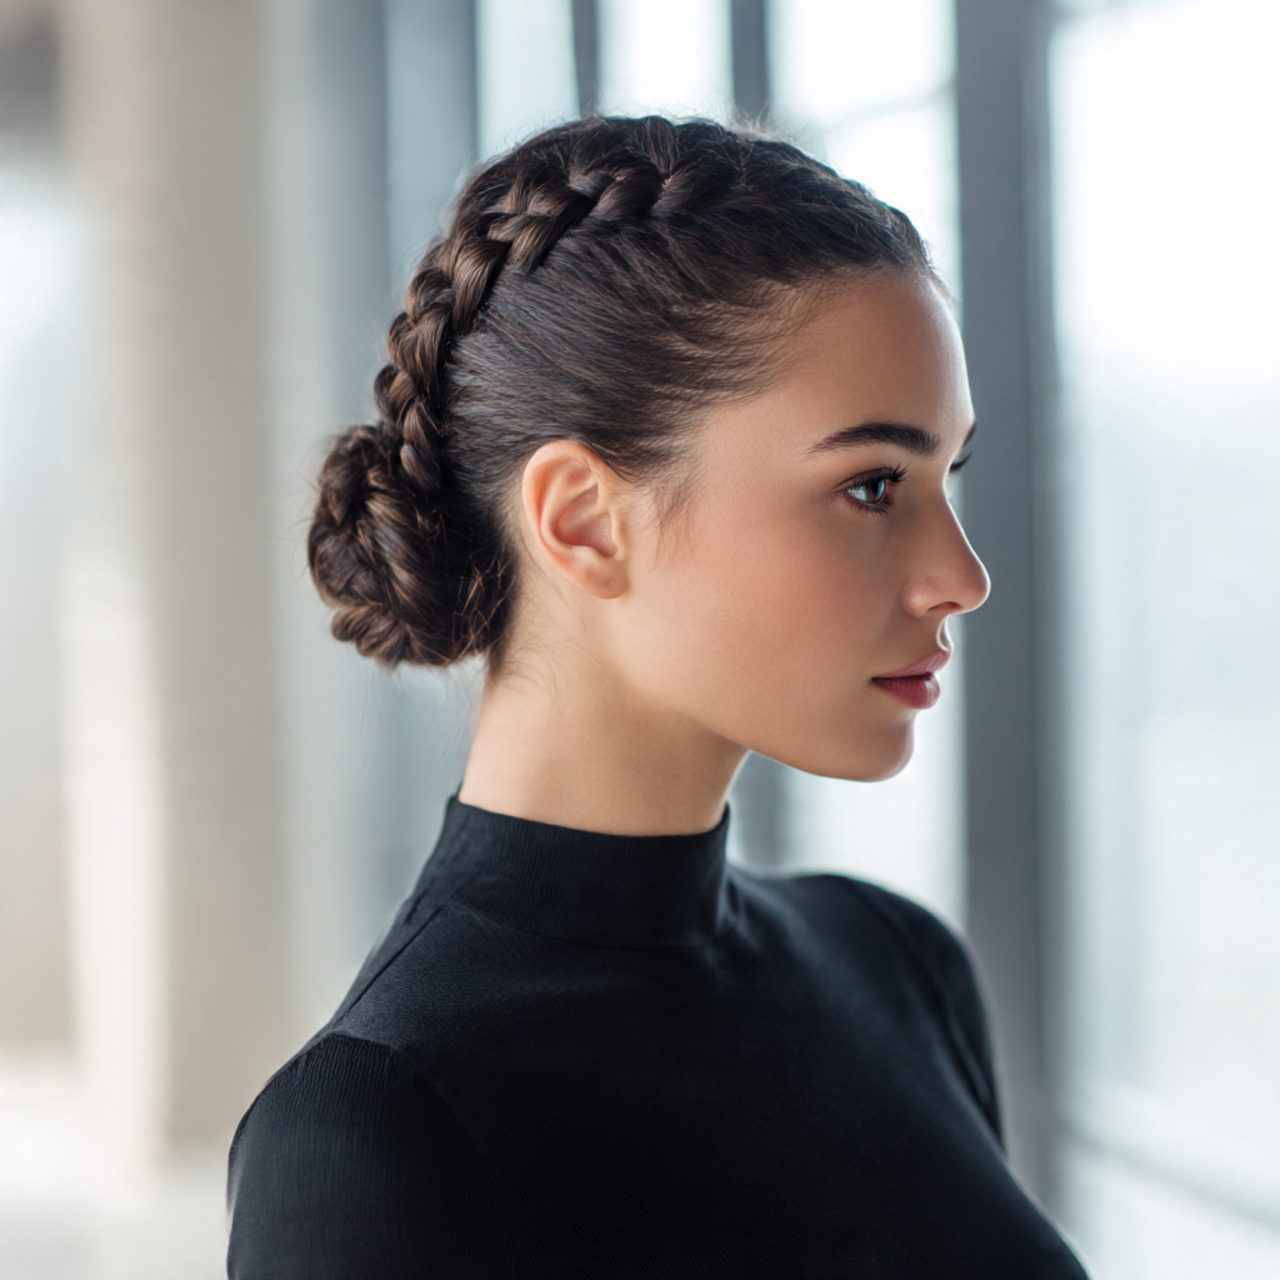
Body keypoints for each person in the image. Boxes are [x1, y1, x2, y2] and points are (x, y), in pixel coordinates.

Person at [226, 115, 1088, 1278]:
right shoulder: (378, 1126)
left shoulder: (896, 962)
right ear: (583, 520)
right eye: (873, 484)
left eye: (946, 476)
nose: (961, 577)